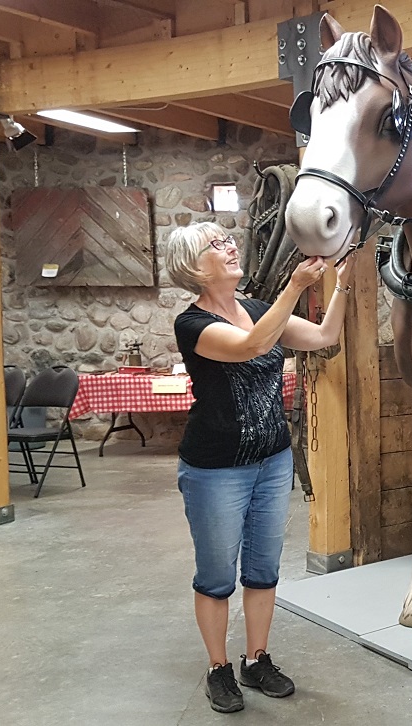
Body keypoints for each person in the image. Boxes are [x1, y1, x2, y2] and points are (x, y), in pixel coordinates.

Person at [164, 221, 352, 713]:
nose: (229, 247)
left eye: (228, 240)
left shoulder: (253, 309)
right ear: (193, 268)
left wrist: (345, 281)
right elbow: (252, 346)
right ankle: (218, 668)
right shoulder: (193, 324)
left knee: (264, 570)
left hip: (272, 461)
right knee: (216, 575)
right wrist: (293, 286)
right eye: (216, 244)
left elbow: (324, 336)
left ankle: (257, 659)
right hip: (215, 469)